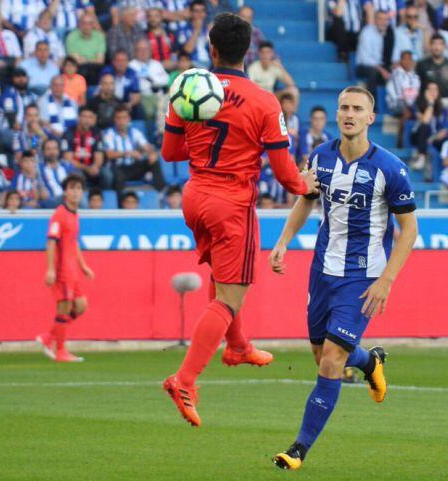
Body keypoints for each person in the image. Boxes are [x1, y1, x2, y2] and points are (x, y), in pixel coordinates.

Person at [160, 13, 318, 427]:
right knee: (230, 298)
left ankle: (238, 346)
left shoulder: (187, 89)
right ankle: (185, 380)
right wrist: (308, 188)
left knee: (221, 274)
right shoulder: (265, 101)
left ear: (210, 50)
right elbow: (285, 174)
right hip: (232, 200)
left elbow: (170, 154)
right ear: (248, 51)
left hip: (194, 195)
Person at [270, 86, 418, 470]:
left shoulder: (390, 168)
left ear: (371, 117)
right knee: (322, 354)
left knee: (332, 361)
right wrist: (284, 242)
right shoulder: (320, 157)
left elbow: (409, 230)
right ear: (337, 115)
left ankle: (298, 449)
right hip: (322, 271)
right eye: (344, 108)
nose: (349, 114)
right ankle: (369, 362)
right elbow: (305, 200)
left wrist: (386, 279)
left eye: (357, 109)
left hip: (362, 276)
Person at [37, 174, 95, 362]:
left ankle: (48, 337)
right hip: (62, 270)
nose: (76, 192)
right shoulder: (59, 214)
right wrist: (50, 269)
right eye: (72, 188)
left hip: (73, 270)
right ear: (65, 191)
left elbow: (74, 242)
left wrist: (83, 265)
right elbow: (51, 242)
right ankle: (60, 350)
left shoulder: (74, 214)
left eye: (79, 188)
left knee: (81, 305)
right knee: (64, 307)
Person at [103, 104, 163, 192]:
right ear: (114, 119)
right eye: (118, 118)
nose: (121, 121)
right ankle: (120, 202)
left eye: (124, 118)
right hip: (117, 168)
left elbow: (147, 146)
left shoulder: (134, 132)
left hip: (133, 167)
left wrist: (151, 153)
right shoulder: (109, 134)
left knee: (154, 160)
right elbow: (109, 154)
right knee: (118, 175)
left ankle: (160, 193)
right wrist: (129, 153)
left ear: (129, 119)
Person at [355, 11, 393, 107]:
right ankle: (370, 105)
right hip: (363, 67)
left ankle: (393, 105)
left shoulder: (382, 33)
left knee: (395, 73)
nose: (383, 22)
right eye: (380, 19)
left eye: (385, 20)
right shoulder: (367, 33)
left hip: (376, 66)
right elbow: (365, 59)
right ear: (375, 20)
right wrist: (382, 70)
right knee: (374, 73)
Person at [62, 106, 106, 186]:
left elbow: (99, 156)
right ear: (78, 118)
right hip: (77, 169)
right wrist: (87, 168)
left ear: (93, 119)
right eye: (84, 116)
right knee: (77, 176)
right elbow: (68, 159)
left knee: (106, 175)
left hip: (92, 168)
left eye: (90, 117)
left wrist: (95, 167)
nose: (87, 120)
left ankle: (102, 197)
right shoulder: (68, 133)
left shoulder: (97, 133)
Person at [416, 34, 448, 98]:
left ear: (444, 46)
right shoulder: (422, 65)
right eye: (434, 44)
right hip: (426, 100)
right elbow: (417, 86)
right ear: (430, 46)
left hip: (447, 101)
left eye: (440, 44)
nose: (437, 47)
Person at [65, 12, 106, 84]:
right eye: (84, 23)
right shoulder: (71, 37)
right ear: (79, 24)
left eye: (89, 23)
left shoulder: (99, 37)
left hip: (96, 68)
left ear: (93, 25)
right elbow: (76, 60)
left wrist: (85, 59)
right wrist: (92, 60)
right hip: (80, 68)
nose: (87, 26)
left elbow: (100, 60)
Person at [175, 0, 210, 68]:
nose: (199, 14)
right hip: (192, 64)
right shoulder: (183, 30)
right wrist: (196, 31)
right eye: (196, 11)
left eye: (202, 11)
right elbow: (187, 51)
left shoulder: (209, 29)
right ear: (190, 13)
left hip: (210, 64)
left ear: (205, 13)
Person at [39, 137, 73, 205]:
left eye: (55, 149)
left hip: (67, 199)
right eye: (48, 149)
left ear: (58, 151)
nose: (52, 152)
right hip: (49, 201)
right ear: (43, 152)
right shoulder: (39, 168)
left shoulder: (67, 166)